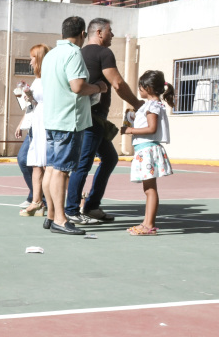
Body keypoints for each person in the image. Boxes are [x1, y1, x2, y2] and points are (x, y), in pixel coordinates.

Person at [66, 18, 145, 226]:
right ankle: (72, 210)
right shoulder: (103, 53)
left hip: (85, 117)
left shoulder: (79, 53)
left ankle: (91, 206)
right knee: (83, 165)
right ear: (99, 32)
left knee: (109, 158)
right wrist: (137, 103)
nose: (113, 35)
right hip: (91, 119)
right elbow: (117, 83)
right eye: (110, 31)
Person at [40, 17, 109, 235]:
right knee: (61, 171)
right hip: (68, 119)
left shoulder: (50, 55)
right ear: (81, 34)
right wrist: (98, 87)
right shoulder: (72, 53)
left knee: (51, 168)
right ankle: (61, 219)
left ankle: (52, 215)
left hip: (52, 118)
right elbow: (77, 86)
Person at [122, 70, 175, 236]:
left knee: (150, 189)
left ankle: (149, 224)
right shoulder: (149, 105)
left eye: (140, 86)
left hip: (147, 150)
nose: (139, 89)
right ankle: (146, 222)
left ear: (149, 88)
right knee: (148, 189)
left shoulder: (153, 106)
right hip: (144, 150)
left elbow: (152, 128)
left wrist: (131, 130)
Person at [16, 44, 50, 217]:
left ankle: (49, 201)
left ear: (40, 58)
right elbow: (34, 104)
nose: (30, 61)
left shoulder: (50, 77)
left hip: (47, 121)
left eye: (32, 57)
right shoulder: (37, 79)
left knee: (46, 164)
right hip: (37, 120)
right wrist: (28, 94)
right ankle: (36, 201)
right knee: (35, 162)